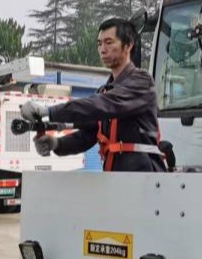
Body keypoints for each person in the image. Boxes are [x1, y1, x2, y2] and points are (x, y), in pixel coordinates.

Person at [20, 18, 166, 172]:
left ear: (128, 45)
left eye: (109, 42)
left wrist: (48, 111)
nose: (102, 49)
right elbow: (88, 135)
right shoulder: (105, 91)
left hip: (144, 177)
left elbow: (100, 105)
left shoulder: (141, 81)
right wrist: (57, 144)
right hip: (116, 178)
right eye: (99, 44)